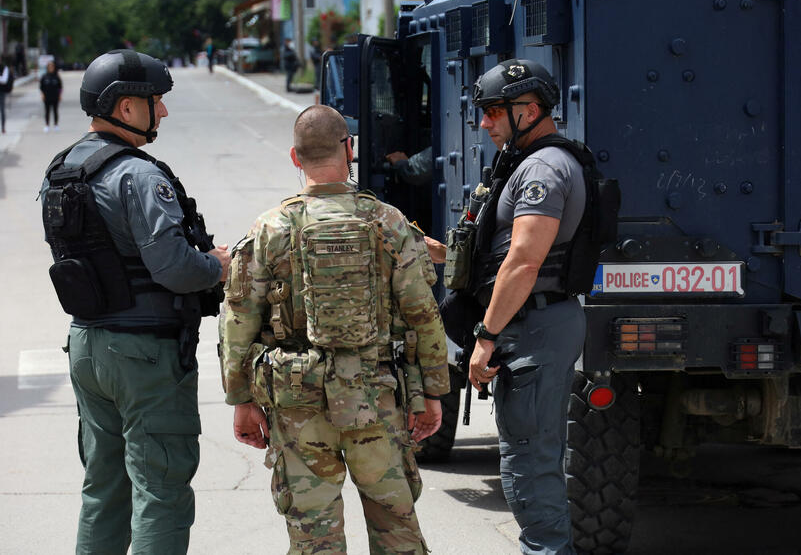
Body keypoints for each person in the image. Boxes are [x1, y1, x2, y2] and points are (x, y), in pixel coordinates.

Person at [219, 104, 450, 554]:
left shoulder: (270, 228)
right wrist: (433, 393)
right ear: (350, 149)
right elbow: (423, 314)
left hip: (296, 403)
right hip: (377, 396)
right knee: (397, 529)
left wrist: (242, 400)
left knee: (314, 537)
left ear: (294, 156)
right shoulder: (388, 222)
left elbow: (239, 321)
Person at [39, 49, 231, 554]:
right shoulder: (139, 175)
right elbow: (176, 269)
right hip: (144, 356)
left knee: (103, 490)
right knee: (161, 491)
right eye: (155, 100)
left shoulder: (61, 171)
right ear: (126, 107)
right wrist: (219, 265)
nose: (162, 111)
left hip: (87, 346)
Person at [460, 59, 586, 555]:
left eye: (495, 111)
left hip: (533, 325)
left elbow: (524, 261)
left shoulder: (542, 169)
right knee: (534, 457)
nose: (485, 123)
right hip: (535, 321)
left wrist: (485, 337)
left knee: (529, 463)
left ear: (530, 111)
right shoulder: (529, 162)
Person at [39, 60, 62, 131]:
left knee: (55, 111)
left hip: (55, 97)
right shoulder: (44, 76)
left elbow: (60, 87)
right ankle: (47, 125)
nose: (51, 68)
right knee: (47, 111)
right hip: (47, 97)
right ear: (47, 67)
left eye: (52, 66)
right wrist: (42, 95)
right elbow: (41, 87)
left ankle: (56, 125)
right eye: (49, 66)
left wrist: (60, 95)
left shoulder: (56, 76)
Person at [0, 56, 12, 134]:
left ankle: (3, 127)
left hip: (2, 91)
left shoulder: (4, 68)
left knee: (2, 110)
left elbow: (4, 80)